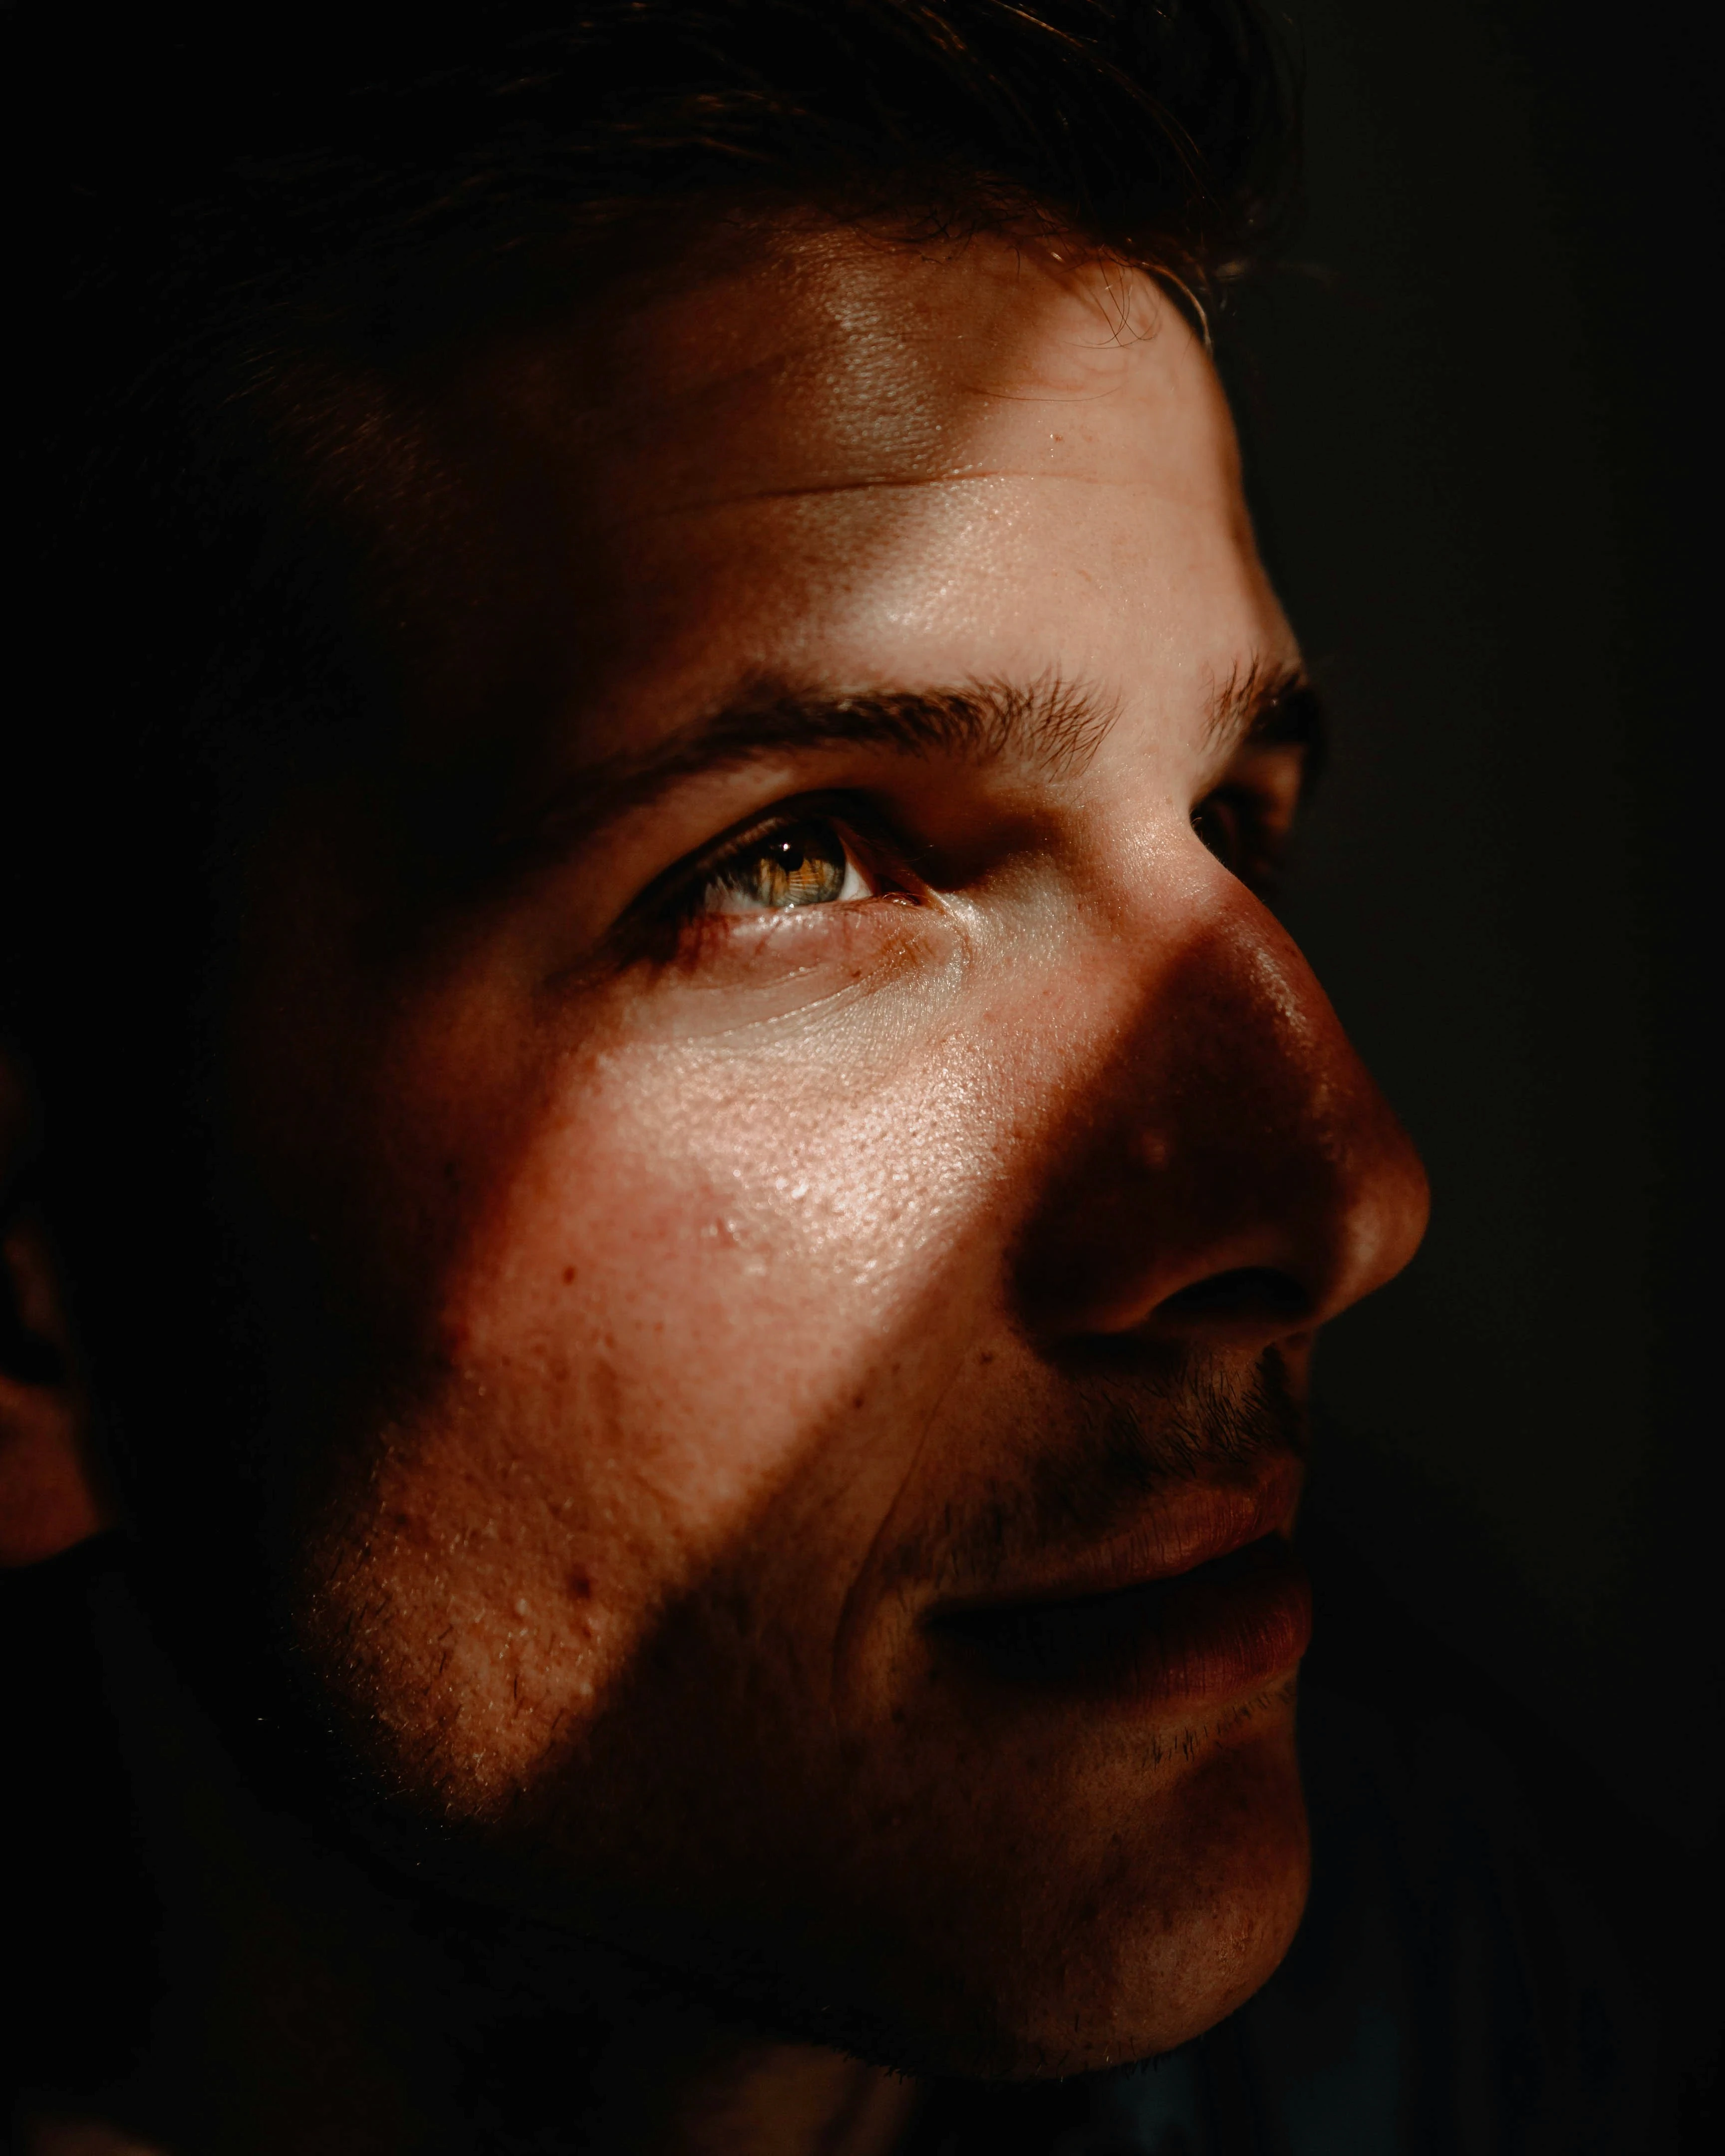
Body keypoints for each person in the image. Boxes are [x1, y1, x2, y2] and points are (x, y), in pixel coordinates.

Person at [0, 5, 1668, 2150]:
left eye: (1235, 816)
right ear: (37, 1286)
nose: (1340, 1191)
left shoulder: (1490, 1984)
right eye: (800, 860)